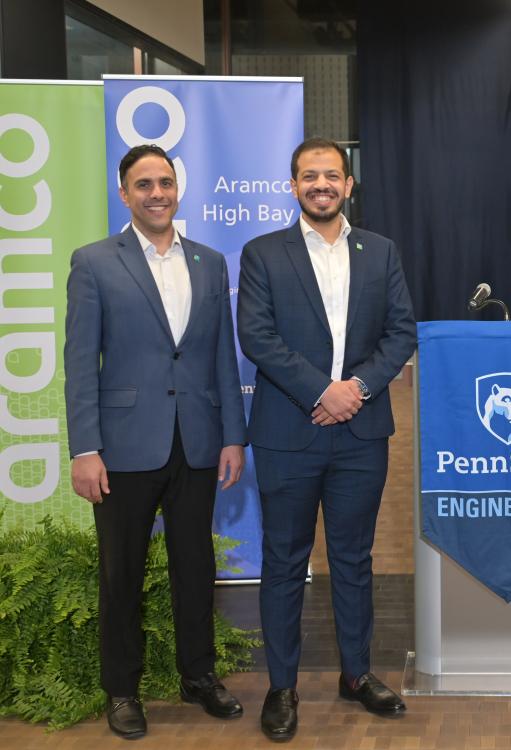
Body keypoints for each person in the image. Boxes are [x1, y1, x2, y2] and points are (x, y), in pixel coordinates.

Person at [64, 144, 248, 739]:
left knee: (195, 567)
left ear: (178, 188)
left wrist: (233, 438)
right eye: (144, 184)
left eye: (165, 182)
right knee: (122, 575)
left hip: (197, 442)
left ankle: (199, 677)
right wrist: (84, 448)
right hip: (121, 448)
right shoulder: (94, 262)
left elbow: (222, 354)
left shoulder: (210, 261)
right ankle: (122, 690)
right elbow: (79, 362)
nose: (157, 193)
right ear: (125, 194)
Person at [237, 137, 417, 741]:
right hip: (289, 433)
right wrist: (322, 392)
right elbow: (258, 337)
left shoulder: (381, 251)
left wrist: (357, 389)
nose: (322, 184)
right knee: (284, 562)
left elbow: (400, 333)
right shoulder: (263, 253)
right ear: (293, 186)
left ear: (348, 184)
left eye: (332, 175)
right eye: (309, 176)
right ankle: (282, 686)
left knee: (353, 560)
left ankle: (356, 675)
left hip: (361, 435)